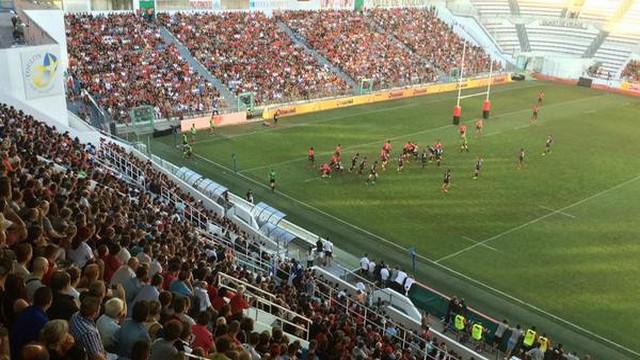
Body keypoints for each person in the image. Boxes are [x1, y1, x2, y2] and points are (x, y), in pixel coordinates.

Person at [10, 287, 52, 359]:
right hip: (23, 354)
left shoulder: (26, 310)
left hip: (14, 349)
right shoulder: (43, 321)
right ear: (50, 301)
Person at [69, 296, 106, 360]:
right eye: (99, 309)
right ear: (94, 314)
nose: (100, 310)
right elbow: (97, 356)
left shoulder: (75, 315)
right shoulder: (89, 333)